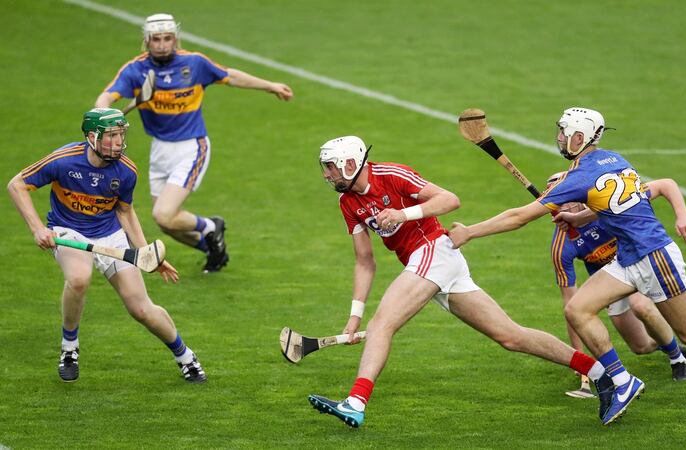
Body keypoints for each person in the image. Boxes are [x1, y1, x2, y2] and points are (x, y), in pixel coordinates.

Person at [449, 107, 686, 425]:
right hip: (628, 256)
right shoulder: (614, 160)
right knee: (578, 309)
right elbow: (615, 203)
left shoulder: (577, 177)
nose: (559, 138)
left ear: (579, 138)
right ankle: (623, 381)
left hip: (654, 255)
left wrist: (470, 232)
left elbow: (519, 216)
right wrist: (578, 214)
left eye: (563, 132)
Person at [307, 135, 616, 429]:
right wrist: (354, 314)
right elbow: (365, 261)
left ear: (350, 163)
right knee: (511, 337)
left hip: (433, 250)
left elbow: (450, 200)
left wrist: (403, 214)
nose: (327, 175)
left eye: (331, 167)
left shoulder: (391, 174)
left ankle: (356, 403)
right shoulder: (347, 203)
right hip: (432, 265)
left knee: (381, 326)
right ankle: (600, 372)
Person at [7, 108, 206, 383]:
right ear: (92, 137)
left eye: (120, 135)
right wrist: (38, 229)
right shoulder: (64, 161)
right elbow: (17, 185)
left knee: (141, 309)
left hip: (109, 235)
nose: (118, 142)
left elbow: (125, 212)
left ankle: (186, 357)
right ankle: (69, 348)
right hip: (69, 231)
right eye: (111, 136)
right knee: (78, 278)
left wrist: (145, 252)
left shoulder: (125, 171)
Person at [95, 13, 294, 273]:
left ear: (175, 39)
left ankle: (212, 226)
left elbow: (229, 75)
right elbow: (106, 97)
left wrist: (269, 86)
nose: (163, 44)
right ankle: (212, 246)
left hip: (191, 147)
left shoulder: (194, 63)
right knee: (167, 223)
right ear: (147, 41)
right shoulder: (136, 69)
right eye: (156, 39)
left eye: (168, 38)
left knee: (163, 215)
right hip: (159, 149)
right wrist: (102, 115)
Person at [547, 174, 686, 397]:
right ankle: (668, 344)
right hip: (610, 285)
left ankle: (677, 358)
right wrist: (580, 361)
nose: (566, 202)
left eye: (568, 195)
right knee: (641, 347)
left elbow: (665, 184)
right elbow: (571, 303)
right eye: (560, 198)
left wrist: (682, 214)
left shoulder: (605, 207)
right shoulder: (562, 246)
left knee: (641, 306)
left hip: (640, 263)